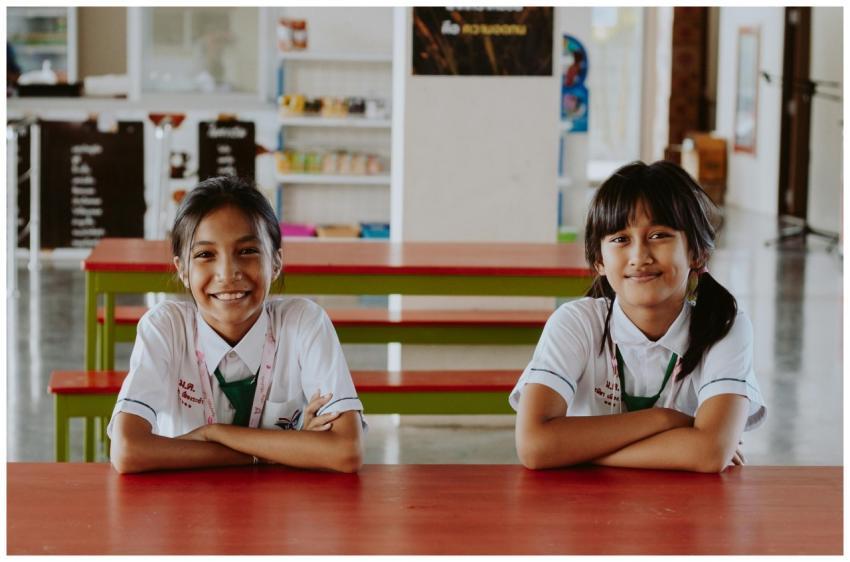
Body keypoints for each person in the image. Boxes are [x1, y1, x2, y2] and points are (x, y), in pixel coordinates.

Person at [512, 160, 766, 473]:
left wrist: (573, 450)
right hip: (586, 509)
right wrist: (667, 421)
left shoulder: (724, 325)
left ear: (697, 251)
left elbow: (709, 453)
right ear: (599, 261)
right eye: (620, 239)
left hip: (688, 513)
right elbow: (535, 447)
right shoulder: (575, 323)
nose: (639, 257)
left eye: (659, 235)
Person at [108, 176, 365, 473]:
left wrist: (214, 433)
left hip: (280, 511)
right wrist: (286, 448)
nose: (227, 273)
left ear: (276, 262)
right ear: (182, 270)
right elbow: (127, 450)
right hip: (184, 510)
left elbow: (346, 450)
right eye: (205, 255)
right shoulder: (166, 328)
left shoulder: (304, 323)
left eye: (247, 251)